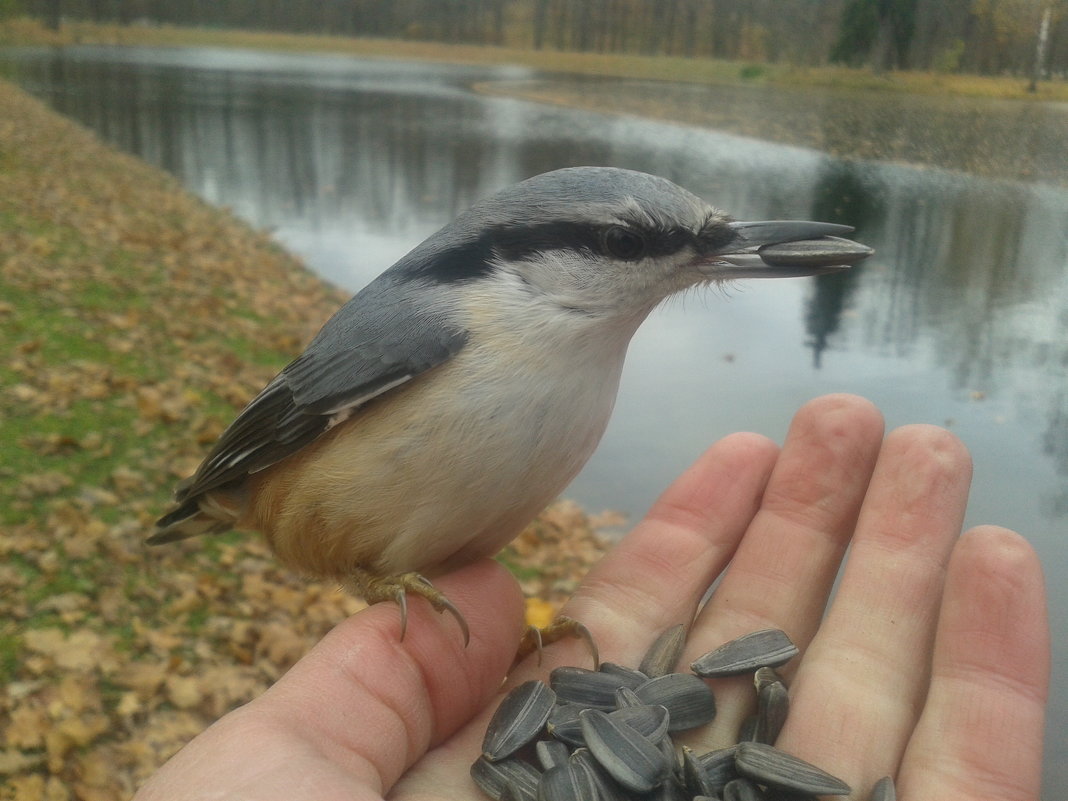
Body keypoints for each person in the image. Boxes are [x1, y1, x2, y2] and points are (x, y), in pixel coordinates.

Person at [133, 395, 1049, 800]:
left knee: (472, 589)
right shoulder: (418, 336)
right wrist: (373, 579)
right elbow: (284, 426)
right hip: (276, 490)